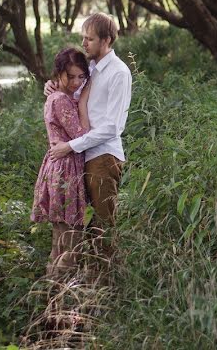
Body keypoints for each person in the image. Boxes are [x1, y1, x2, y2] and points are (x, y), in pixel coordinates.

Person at [47, 13, 132, 256]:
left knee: (102, 227)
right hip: (84, 157)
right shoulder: (92, 68)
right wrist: (53, 87)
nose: (84, 44)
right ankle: (88, 284)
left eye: (90, 39)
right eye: (83, 38)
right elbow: (75, 100)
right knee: (82, 227)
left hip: (103, 157)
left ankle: (108, 287)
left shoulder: (118, 72)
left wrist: (71, 145)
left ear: (106, 40)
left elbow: (113, 127)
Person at [31, 48, 90, 276]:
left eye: (81, 77)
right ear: (59, 74)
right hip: (65, 169)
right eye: (71, 76)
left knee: (61, 241)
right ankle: (60, 297)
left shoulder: (59, 96)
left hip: (64, 166)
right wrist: (83, 99)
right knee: (69, 242)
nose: (76, 82)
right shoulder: (60, 100)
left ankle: (53, 296)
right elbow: (82, 134)